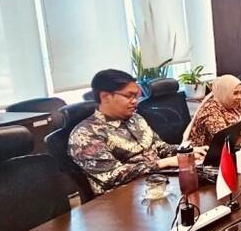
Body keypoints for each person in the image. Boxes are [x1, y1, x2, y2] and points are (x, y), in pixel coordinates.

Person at [69, 69, 206, 196]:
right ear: (105, 96)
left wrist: (187, 153)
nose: (135, 102)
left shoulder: (136, 118)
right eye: (129, 96)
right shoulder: (85, 134)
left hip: (158, 186)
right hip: (121, 201)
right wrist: (163, 163)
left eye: (136, 96)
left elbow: (160, 147)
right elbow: (113, 176)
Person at [183, 74, 241, 147]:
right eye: (235, 93)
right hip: (205, 154)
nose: (240, 97)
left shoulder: (235, 101)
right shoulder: (210, 109)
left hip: (234, 145)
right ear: (224, 92)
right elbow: (224, 137)